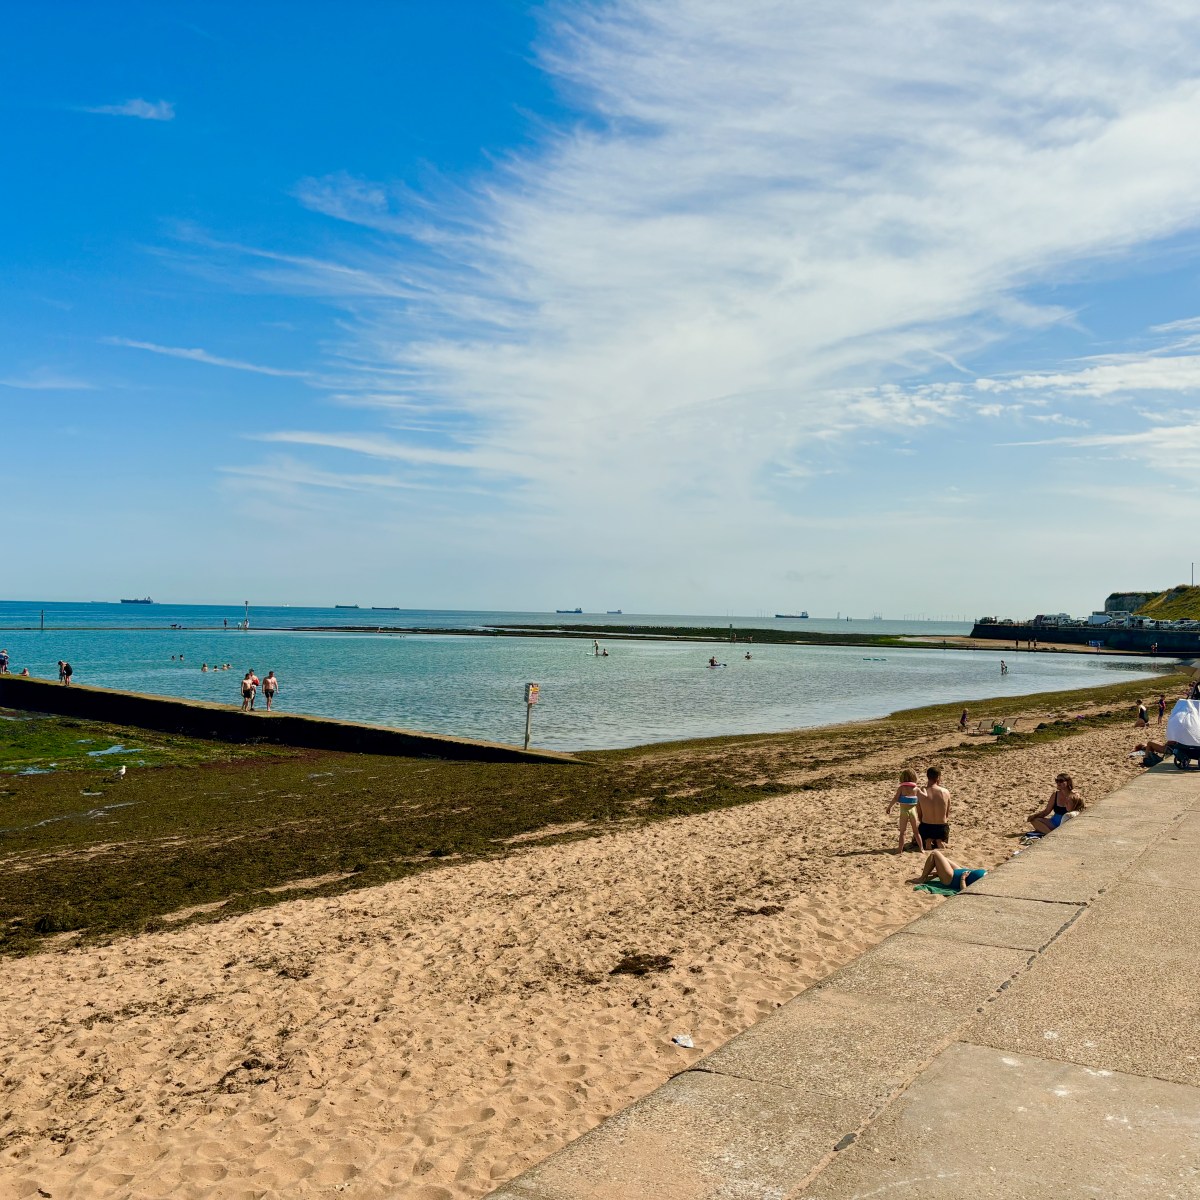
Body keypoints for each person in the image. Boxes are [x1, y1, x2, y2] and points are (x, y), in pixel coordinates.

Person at [886, 768, 924, 854]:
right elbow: (924, 796)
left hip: (903, 812)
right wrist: (925, 790)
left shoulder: (901, 788)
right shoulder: (916, 789)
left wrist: (889, 807)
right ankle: (921, 848)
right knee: (916, 832)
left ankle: (900, 849)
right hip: (913, 812)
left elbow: (895, 798)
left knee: (902, 832)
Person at [914, 849, 986, 892]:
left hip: (951, 878)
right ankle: (939, 873)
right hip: (959, 871)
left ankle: (922, 878)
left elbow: (964, 891)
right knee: (942, 858)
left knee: (935, 853)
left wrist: (963, 878)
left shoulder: (983, 887)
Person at [917, 766, 950, 848]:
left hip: (926, 827)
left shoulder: (921, 793)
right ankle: (939, 840)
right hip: (941, 828)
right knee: (941, 833)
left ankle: (928, 840)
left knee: (921, 832)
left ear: (927, 777)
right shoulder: (945, 792)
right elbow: (946, 815)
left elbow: (920, 816)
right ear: (938, 777)